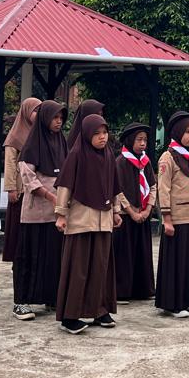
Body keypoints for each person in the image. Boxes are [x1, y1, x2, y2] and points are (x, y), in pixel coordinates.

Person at [54, 113, 123, 335]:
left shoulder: (109, 155)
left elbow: (114, 186)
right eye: (97, 133)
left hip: (103, 221)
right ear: (86, 134)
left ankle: (99, 310)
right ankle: (70, 316)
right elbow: (65, 186)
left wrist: (116, 211)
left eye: (105, 133)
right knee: (79, 269)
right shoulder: (76, 155)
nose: (102, 138)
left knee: (100, 267)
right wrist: (61, 214)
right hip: (81, 220)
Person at [14, 100, 69, 320]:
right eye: (55, 117)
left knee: (52, 256)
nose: (58, 122)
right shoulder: (32, 143)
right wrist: (50, 195)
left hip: (55, 212)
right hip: (36, 211)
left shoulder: (61, 141)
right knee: (31, 256)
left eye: (61, 118)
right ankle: (22, 301)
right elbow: (28, 177)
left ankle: (50, 297)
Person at [156, 110, 189, 318]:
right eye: (187, 132)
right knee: (176, 261)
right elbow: (164, 189)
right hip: (177, 218)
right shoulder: (168, 157)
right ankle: (174, 303)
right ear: (178, 132)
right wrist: (166, 218)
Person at [113, 122, 156, 303]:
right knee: (125, 254)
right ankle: (122, 291)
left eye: (145, 140)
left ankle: (142, 288)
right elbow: (118, 190)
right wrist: (131, 212)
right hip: (126, 215)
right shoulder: (121, 162)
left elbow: (153, 186)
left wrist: (148, 209)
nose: (142, 143)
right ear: (130, 140)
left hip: (143, 213)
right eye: (139, 140)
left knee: (142, 252)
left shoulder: (145, 162)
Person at [1, 98, 41, 266]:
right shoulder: (16, 136)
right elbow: (10, 163)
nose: (37, 114)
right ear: (26, 112)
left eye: (40, 111)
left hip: (34, 188)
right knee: (17, 228)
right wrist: (11, 189)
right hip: (19, 190)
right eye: (35, 110)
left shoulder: (38, 133)